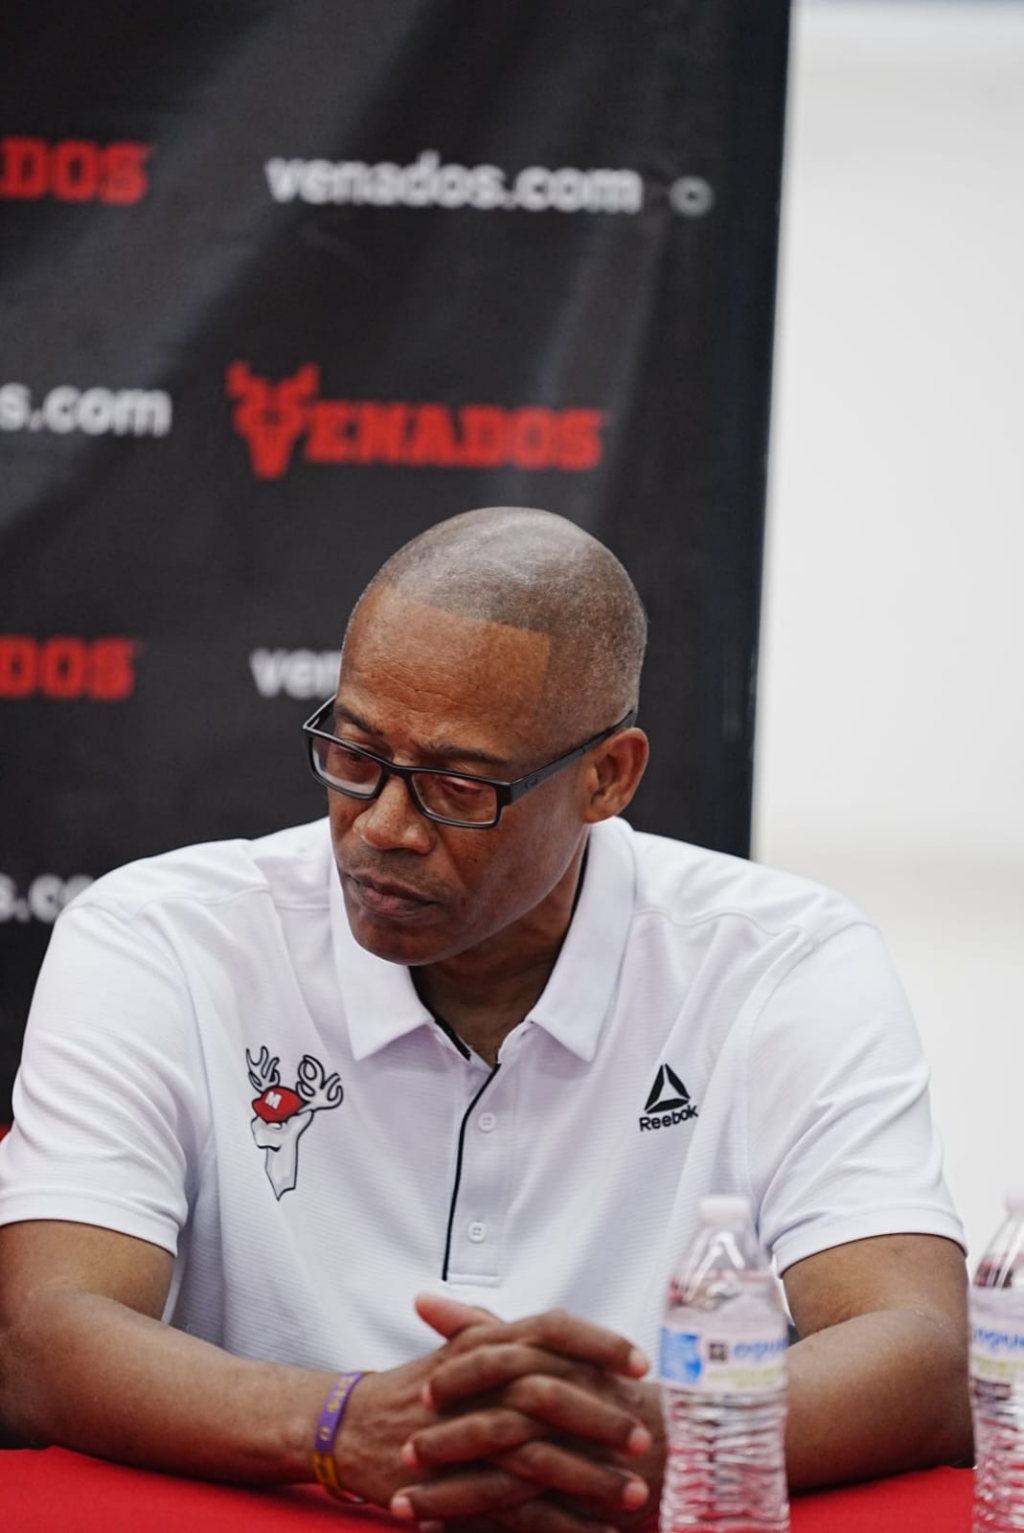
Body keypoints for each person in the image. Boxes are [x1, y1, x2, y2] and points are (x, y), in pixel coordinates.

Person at [0, 506, 970, 1527]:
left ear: (607, 776)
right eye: (354, 753)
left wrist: (645, 1439)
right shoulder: (162, 938)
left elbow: (926, 1350)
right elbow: (36, 1336)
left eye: (458, 786)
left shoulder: (783, 958)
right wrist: (338, 1426)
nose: (383, 826)